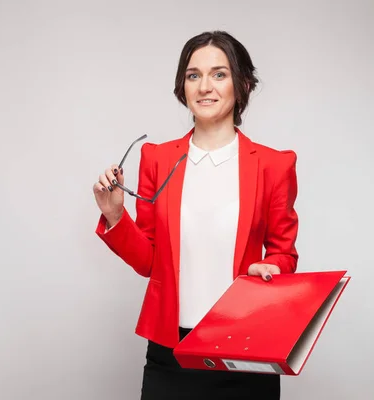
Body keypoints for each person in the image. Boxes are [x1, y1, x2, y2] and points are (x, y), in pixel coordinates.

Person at [92, 31, 299, 400]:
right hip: (170, 355)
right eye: (193, 75)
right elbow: (148, 261)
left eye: (219, 74)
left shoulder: (274, 165)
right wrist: (115, 216)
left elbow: (285, 254)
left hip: (246, 352)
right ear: (182, 87)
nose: (205, 86)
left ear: (243, 84)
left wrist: (270, 270)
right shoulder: (156, 158)